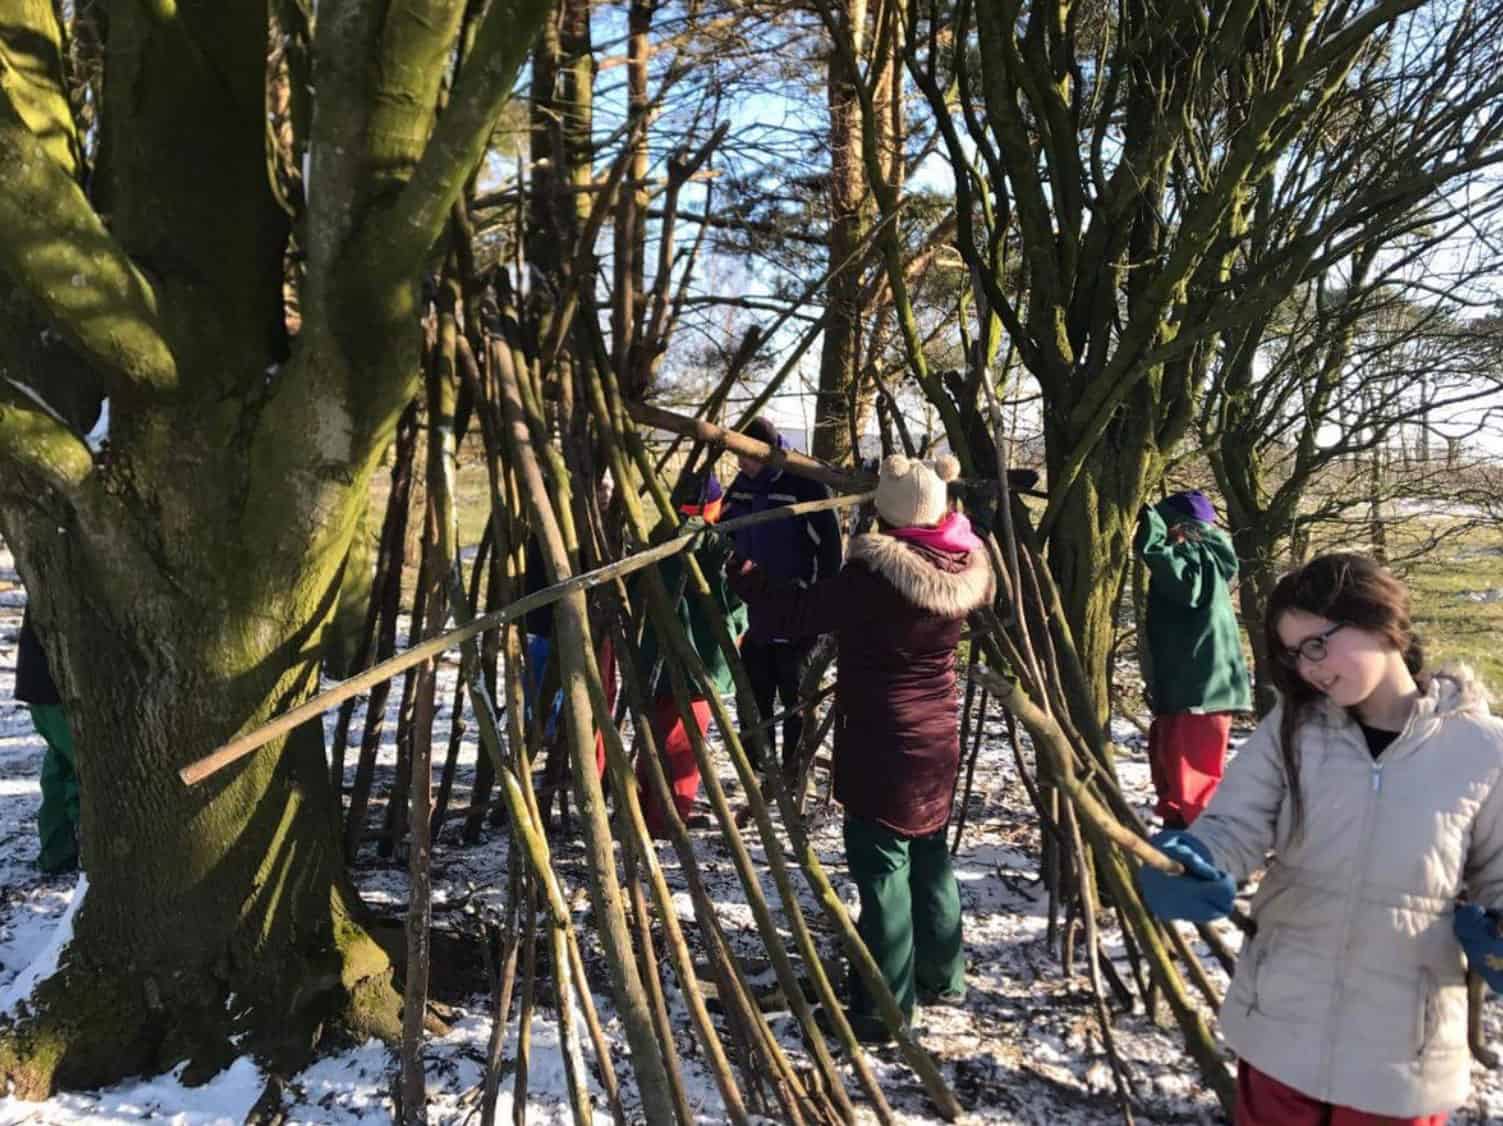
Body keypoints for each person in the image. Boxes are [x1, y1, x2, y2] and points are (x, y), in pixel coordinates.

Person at [1137, 552, 1503, 1125]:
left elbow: (1500, 881)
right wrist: (1192, 860)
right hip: (1281, 1029)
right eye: (1291, 654)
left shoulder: (1484, 750)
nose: (1307, 668)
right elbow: (1233, 827)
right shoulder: (1293, 731)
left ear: (1378, 619)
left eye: (1316, 644)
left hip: (1402, 1057)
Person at [729, 453, 995, 1043]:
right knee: (928, 854)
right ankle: (941, 974)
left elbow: (798, 612)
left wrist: (746, 576)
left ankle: (883, 1009)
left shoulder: (878, 578)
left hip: (882, 742)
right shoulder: (961, 561)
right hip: (936, 739)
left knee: (882, 873)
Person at [722, 417, 842, 780]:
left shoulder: (804, 485)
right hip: (758, 607)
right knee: (754, 692)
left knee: (797, 697)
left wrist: (816, 601)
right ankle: (760, 765)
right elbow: (725, 528)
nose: (741, 464)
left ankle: (793, 769)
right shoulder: (743, 486)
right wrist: (735, 570)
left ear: (767, 453)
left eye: (748, 456)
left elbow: (830, 550)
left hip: (798, 609)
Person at [631, 471, 747, 837]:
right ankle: (666, 819)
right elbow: (736, 604)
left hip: (653, 657)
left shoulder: (657, 539)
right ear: (711, 504)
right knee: (683, 745)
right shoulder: (718, 547)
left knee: (656, 736)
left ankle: (646, 808)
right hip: (699, 663)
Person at [1134, 489, 1252, 828]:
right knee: (1172, 775)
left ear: (1181, 528)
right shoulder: (1200, 555)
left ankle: (1202, 859)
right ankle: (1179, 847)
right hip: (1187, 689)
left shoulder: (1199, 559)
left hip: (1202, 691)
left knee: (1194, 782)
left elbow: (1185, 583)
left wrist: (1152, 530)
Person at [16, 610, 80, 874]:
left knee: (60, 766)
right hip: (59, 692)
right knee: (85, 771)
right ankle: (94, 856)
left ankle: (56, 854)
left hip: (40, 689)